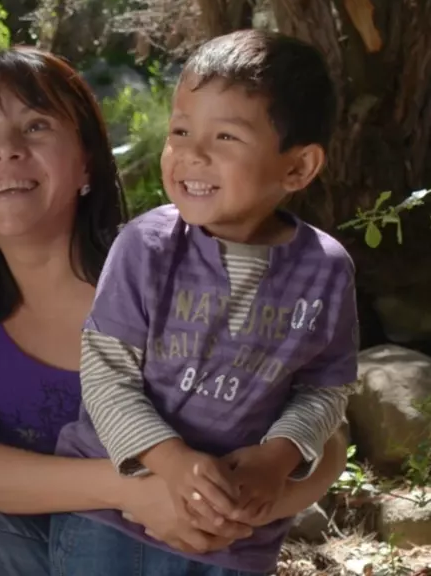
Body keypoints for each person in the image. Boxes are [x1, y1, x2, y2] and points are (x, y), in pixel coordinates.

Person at [0, 45, 348, 576]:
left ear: (88, 160)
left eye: (35, 126)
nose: (5, 151)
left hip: (188, 544)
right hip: (37, 545)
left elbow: (326, 430)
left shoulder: (161, 263)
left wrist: (233, 506)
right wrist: (136, 490)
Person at [49, 30, 357, 576]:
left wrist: (277, 457)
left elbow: (324, 388)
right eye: (181, 131)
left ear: (298, 168)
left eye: (225, 138)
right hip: (111, 519)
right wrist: (170, 460)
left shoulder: (325, 270)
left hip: (236, 535)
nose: (190, 154)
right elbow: (106, 375)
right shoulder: (144, 247)